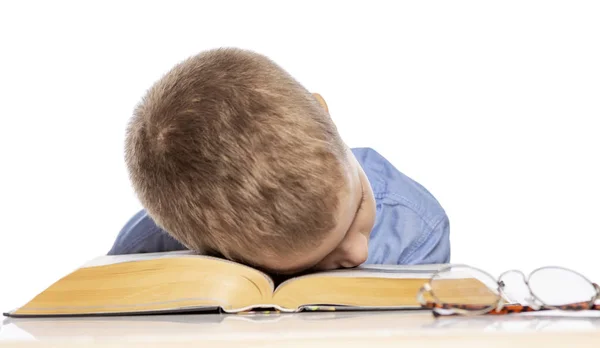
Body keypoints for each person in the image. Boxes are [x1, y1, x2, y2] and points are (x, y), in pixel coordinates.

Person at [108, 47, 450, 274]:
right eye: (315, 264)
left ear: (324, 114)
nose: (359, 253)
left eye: (359, 205)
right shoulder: (143, 249)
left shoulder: (417, 230)